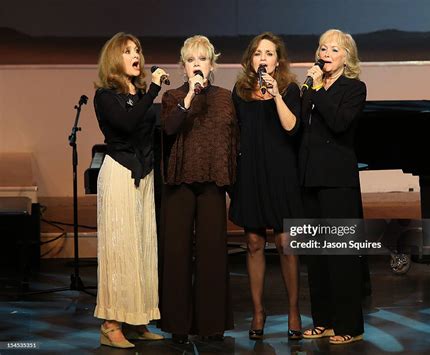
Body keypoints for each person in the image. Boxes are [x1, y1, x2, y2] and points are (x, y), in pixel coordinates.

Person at [159, 35, 238, 343]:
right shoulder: (173, 97)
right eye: (191, 60)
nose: (197, 65)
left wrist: (232, 180)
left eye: (202, 59)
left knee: (212, 252)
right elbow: (170, 128)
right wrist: (189, 97)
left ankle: (212, 324)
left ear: (211, 64)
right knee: (177, 253)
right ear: (183, 67)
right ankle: (178, 325)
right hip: (180, 181)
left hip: (212, 183)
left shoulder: (224, 97)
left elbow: (232, 142)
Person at [93, 32, 167, 348]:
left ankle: (136, 319)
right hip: (120, 174)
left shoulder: (139, 94)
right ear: (114, 58)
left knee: (142, 248)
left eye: (137, 50)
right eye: (127, 51)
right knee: (120, 249)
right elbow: (126, 124)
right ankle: (111, 325)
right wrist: (152, 91)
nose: (136, 55)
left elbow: (152, 124)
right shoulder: (105, 96)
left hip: (144, 175)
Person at [229, 32, 304, 340]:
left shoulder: (289, 89)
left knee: (286, 244)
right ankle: (258, 311)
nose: (263, 58)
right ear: (251, 60)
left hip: (282, 174)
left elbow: (292, 127)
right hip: (251, 174)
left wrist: (275, 95)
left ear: (278, 60)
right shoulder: (240, 91)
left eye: (269, 53)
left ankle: (293, 309)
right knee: (254, 243)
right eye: (258, 53)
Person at [299, 29, 367, 345]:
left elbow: (339, 124)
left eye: (334, 49)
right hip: (310, 179)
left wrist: (316, 90)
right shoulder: (310, 89)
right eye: (322, 47)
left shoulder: (354, 88)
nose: (325, 53)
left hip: (338, 182)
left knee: (341, 256)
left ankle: (349, 325)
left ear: (346, 58)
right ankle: (323, 321)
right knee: (316, 257)